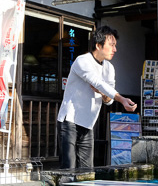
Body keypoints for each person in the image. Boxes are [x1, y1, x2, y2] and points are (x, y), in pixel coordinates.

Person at [57, 26, 137, 169]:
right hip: (70, 120)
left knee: (87, 171)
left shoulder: (110, 68)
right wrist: (122, 99)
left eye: (115, 46)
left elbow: (108, 100)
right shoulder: (82, 61)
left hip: (88, 123)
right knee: (68, 169)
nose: (115, 49)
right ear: (98, 45)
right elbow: (97, 82)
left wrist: (104, 95)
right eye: (111, 45)